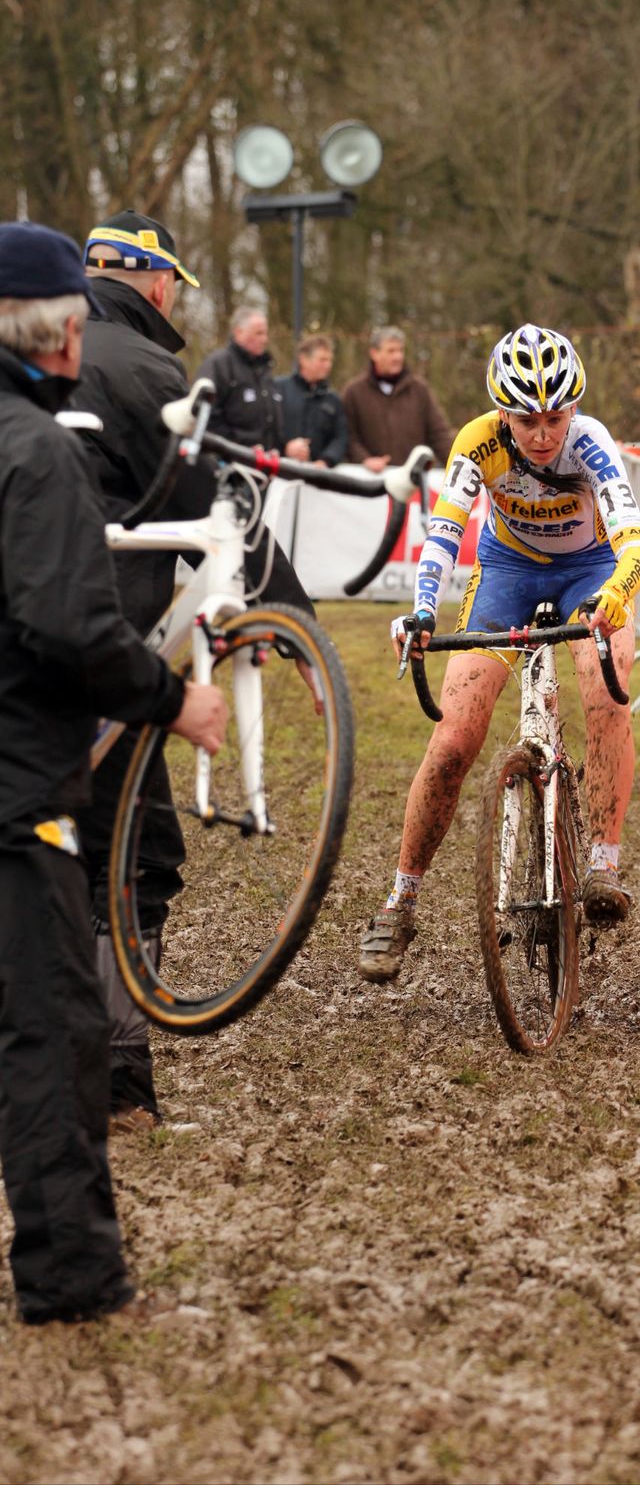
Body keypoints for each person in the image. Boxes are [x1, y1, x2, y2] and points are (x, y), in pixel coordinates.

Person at [0, 220, 226, 1324]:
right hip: (22, 788)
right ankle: (74, 1281)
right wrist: (173, 698)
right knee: (53, 1031)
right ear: (55, 334)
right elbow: (69, 626)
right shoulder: (36, 450)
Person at [74, 209, 316, 1131]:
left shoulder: (30, 349)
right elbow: (221, 515)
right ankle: (115, 1081)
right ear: (159, 282)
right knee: (136, 858)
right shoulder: (148, 372)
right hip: (95, 659)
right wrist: (295, 627)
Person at [358, 323, 640, 983]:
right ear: (501, 413)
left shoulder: (592, 445)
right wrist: (425, 608)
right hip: (507, 572)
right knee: (456, 737)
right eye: (525, 419)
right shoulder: (478, 443)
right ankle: (400, 901)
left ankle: (602, 863)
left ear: (573, 409)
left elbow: (636, 547)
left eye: (554, 417)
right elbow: (442, 533)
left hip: (593, 571)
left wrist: (614, 597)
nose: (542, 433)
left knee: (607, 691)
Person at [342, 324, 453, 474]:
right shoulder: (354, 392)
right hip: (370, 485)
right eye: (391, 351)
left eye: (400, 350)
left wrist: (457, 467)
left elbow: (439, 435)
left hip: (413, 485)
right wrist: (364, 459)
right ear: (374, 353)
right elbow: (347, 435)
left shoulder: (419, 390)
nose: (398, 357)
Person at [197, 306, 308, 454]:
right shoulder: (219, 365)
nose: (264, 339)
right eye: (259, 333)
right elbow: (205, 416)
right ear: (238, 331)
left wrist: (285, 447)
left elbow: (270, 424)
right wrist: (238, 448)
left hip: (263, 465)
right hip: (230, 463)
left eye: (265, 333)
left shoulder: (265, 371)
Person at [276, 333, 348, 466]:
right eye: (322, 360)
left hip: (318, 476)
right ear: (303, 359)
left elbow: (340, 437)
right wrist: (286, 447)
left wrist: (326, 460)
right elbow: (266, 427)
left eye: (330, 360)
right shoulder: (278, 390)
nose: (328, 365)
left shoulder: (333, 400)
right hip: (281, 471)